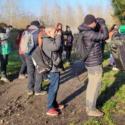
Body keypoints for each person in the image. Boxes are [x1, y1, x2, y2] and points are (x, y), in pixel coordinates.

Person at [78, 14, 109, 117]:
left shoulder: (83, 30)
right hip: (94, 63)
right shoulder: (89, 33)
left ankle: (89, 105)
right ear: (92, 23)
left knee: (91, 84)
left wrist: (98, 25)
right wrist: (103, 24)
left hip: (89, 62)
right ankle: (91, 109)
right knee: (96, 85)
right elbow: (105, 36)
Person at [42, 25, 64, 116]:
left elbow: (59, 48)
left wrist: (58, 38)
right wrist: (58, 36)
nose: (56, 32)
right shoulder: (46, 40)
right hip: (52, 68)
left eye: (56, 31)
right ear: (49, 32)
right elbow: (56, 47)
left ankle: (54, 104)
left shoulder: (50, 39)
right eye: (54, 31)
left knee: (56, 87)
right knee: (53, 87)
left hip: (56, 66)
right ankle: (50, 108)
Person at [23, 21, 47, 96]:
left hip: (27, 55)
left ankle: (30, 90)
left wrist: (25, 54)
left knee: (30, 72)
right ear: (37, 25)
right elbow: (41, 45)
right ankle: (38, 90)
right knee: (39, 72)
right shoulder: (39, 32)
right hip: (36, 55)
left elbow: (22, 44)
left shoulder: (25, 33)